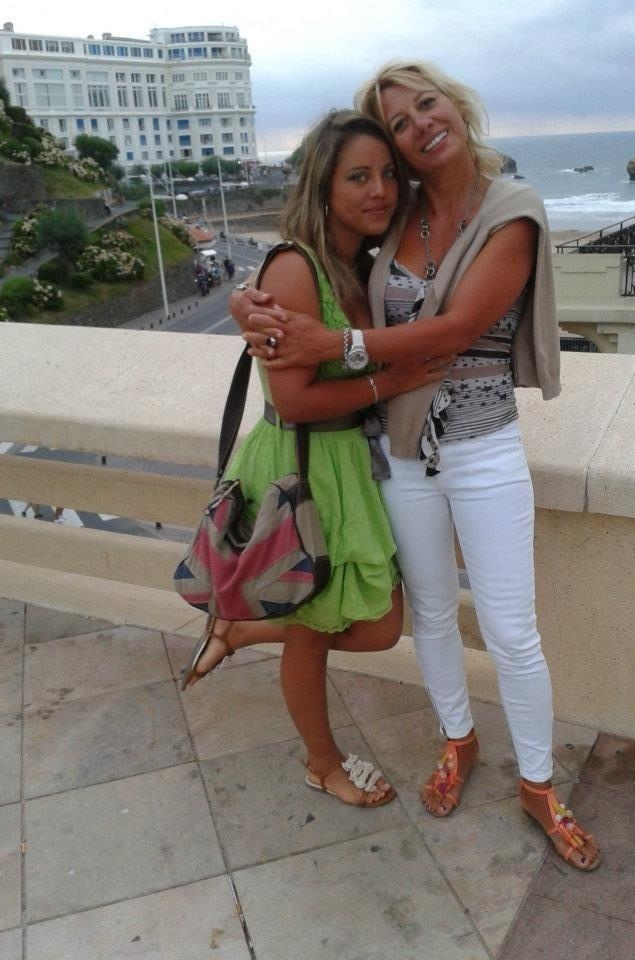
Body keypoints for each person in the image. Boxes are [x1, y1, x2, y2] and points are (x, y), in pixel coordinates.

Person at [232, 61, 601, 870]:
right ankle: (457, 740)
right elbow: (312, 266)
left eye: (426, 105)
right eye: (399, 123)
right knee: (429, 613)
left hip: (484, 447)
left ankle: (538, 784)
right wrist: (247, 300)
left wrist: (339, 344)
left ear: (455, 106)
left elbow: (458, 327)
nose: (419, 125)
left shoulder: (512, 210)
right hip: (400, 453)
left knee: (511, 630)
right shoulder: (389, 222)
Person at [181, 109, 451, 809]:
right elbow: (294, 399)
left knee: (376, 624)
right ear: (323, 186)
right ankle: (323, 762)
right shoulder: (296, 267)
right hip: (303, 462)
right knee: (313, 626)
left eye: (388, 174)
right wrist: (397, 379)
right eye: (358, 176)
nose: (379, 190)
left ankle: (241, 627)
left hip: (346, 462)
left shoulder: (362, 264)